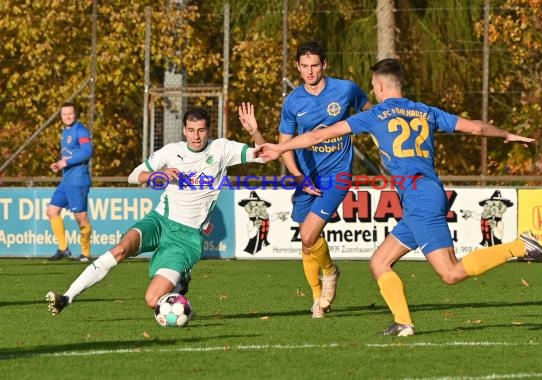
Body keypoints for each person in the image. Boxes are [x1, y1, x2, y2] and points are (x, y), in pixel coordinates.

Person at [255, 58, 542, 335]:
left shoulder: (374, 115)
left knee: (450, 273)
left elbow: (320, 135)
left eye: (373, 85)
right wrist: (506, 135)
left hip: (420, 198)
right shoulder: (427, 112)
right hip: (420, 196)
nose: (372, 89)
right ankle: (403, 322)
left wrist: (280, 148)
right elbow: (476, 128)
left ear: (382, 86)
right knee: (379, 262)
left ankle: (520, 246)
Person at [46, 105, 266, 315]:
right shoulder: (172, 151)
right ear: (184, 130)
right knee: (121, 249)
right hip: (159, 220)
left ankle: (180, 283)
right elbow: (133, 176)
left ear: (208, 130)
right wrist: (156, 175)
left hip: (186, 238)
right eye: (190, 130)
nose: (196, 136)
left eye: (200, 130)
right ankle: (67, 297)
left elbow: (262, 155)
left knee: (152, 300)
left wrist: (254, 131)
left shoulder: (222, 149)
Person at [272, 41, 373, 318]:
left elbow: (372, 112)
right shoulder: (293, 101)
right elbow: (285, 144)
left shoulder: (346, 89)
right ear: (297, 67)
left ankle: (330, 272)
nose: (310, 71)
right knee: (307, 244)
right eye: (304, 66)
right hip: (307, 179)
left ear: (325, 64)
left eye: (315, 65)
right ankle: (317, 299)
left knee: (308, 234)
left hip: (337, 176)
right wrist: (297, 176)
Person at [47, 102, 93, 263]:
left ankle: (86, 254)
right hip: (66, 180)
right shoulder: (65, 131)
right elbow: (70, 154)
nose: (67, 117)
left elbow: (88, 151)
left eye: (70, 113)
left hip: (78, 180)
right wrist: (59, 163)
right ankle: (63, 249)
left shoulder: (80, 130)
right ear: (60, 116)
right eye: (64, 114)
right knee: (52, 211)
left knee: (81, 218)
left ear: (75, 114)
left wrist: (66, 162)